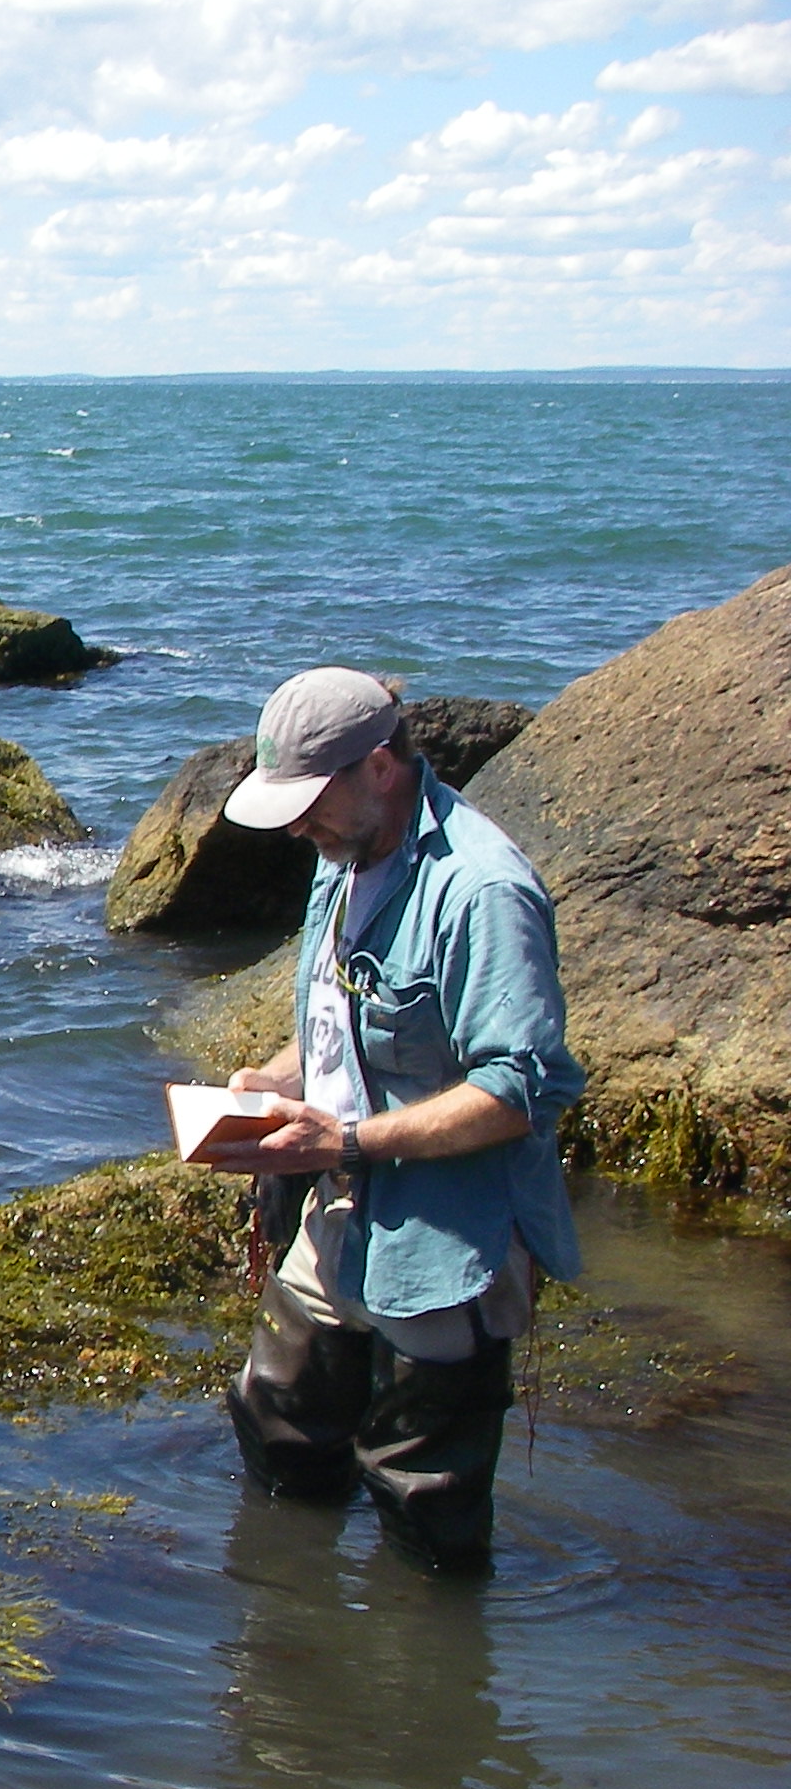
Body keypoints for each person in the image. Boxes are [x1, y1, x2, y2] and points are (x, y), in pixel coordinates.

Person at [199, 667, 584, 1568]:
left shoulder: (483, 892)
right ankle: (294, 1635)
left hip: (452, 1235)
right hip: (339, 1204)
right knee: (277, 1417)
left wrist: (348, 1140)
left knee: (423, 1490)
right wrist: (276, 1075)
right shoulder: (346, 855)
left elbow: (515, 1091)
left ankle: (428, 1682)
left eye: (310, 802)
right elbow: (346, 1013)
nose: (297, 827)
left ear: (380, 765)